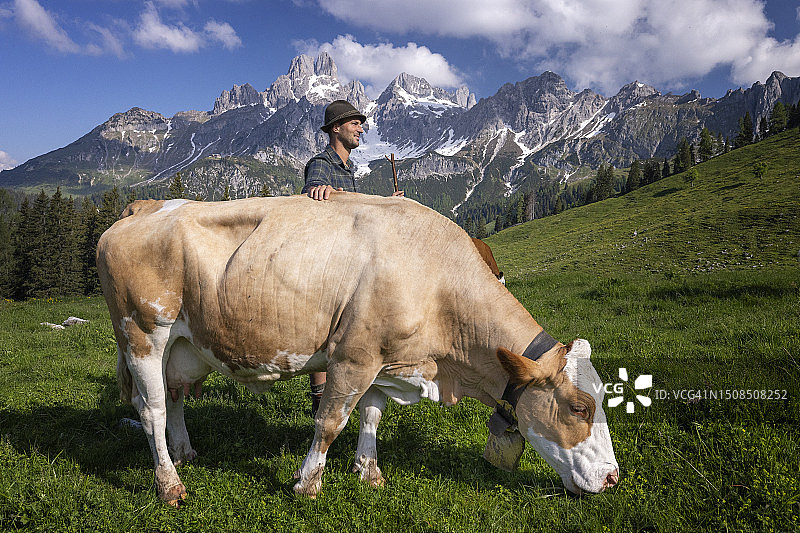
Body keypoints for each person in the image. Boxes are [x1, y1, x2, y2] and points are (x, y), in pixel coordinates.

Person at [302, 99, 403, 415]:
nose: (361, 128)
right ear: (336, 128)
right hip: (326, 260)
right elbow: (313, 189)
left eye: (361, 123)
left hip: (345, 260)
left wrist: (385, 204)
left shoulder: (347, 168)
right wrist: (318, 190)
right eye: (354, 123)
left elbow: (352, 208)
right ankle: (321, 402)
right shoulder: (322, 163)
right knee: (322, 331)